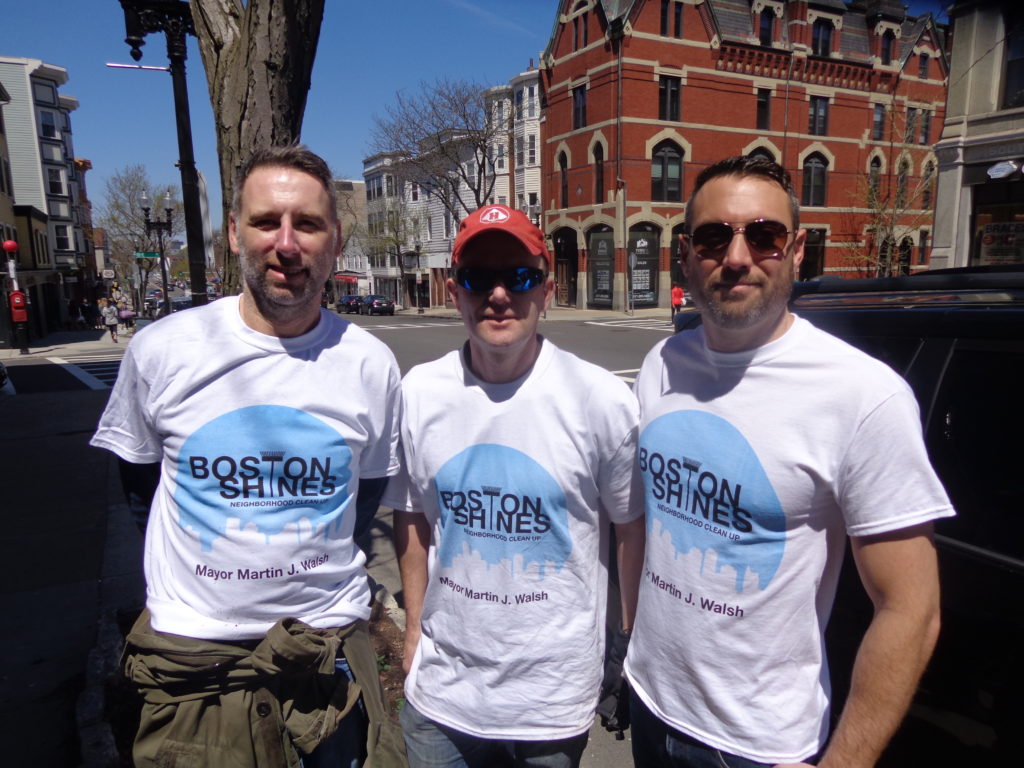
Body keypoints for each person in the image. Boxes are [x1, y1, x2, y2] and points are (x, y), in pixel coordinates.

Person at [624, 156, 955, 768]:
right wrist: (627, 648)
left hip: (757, 746)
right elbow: (645, 528)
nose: (738, 257)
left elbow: (911, 607)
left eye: (765, 235)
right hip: (651, 704)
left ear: (797, 249)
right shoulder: (662, 364)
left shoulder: (862, 396)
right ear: (686, 253)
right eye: (714, 237)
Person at [90, 145, 405, 768]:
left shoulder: (370, 363)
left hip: (326, 661)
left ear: (335, 240)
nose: (286, 243)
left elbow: (364, 496)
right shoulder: (162, 351)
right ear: (234, 232)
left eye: (308, 224)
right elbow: (140, 488)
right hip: (195, 667)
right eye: (266, 221)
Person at [384, 204, 646, 768]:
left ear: (547, 291)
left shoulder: (600, 399)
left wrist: (626, 642)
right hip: (442, 694)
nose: (499, 294)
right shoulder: (420, 393)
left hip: (551, 699)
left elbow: (630, 528)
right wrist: (411, 632)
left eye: (520, 277)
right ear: (455, 291)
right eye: (480, 278)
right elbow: (411, 518)